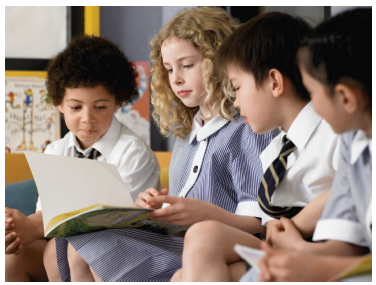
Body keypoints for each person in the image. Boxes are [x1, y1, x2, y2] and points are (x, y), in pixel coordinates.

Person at [47, 6, 277, 282]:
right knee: (82, 245)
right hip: (181, 243)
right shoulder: (185, 136)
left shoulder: (249, 128)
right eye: (168, 69)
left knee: (91, 249)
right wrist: (153, 210)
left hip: (221, 248)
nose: (176, 78)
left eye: (187, 65)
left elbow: (259, 224)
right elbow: (179, 217)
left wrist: (201, 213)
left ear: (219, 60)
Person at [171, 11, 343, 282]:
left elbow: (354, 185)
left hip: (322, 248)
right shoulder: (274, 151)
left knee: (204, 235)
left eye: (237, 88)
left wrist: (295, 227)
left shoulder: (335, 132)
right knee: (182, 275)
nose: (236, 102)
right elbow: (269, 228)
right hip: (280, 248)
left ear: (274, 82)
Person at [4, 34, 160, 282]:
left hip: (121, 248)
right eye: (76, 107)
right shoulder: (54, 151)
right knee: (9, 256)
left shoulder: (133, 152)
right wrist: (16, 226)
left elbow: (115, 221)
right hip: (63, 246)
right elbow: (46, 214)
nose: (88, 118)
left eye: (100, 107)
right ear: (59, 104)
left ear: (117, 102)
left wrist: (33, 227)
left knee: (64, 249)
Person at [256, 8, 372, 282]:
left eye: (312, 92)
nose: (311, 106)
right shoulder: (352, 143)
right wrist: (297, 255)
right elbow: (346, 242)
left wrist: (319, 267)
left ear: (345, 98)